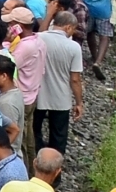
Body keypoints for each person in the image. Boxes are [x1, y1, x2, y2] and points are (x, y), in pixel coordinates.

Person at [34, 11, 85, 153]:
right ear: (68, 27)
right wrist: (79, 102)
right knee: (58, 136)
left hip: (38, 95)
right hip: (61, 98)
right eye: (74, 29)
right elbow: (74, 79)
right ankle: (54, 166)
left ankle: (37, 157)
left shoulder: (38, 38)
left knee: (34, 130)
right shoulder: (74, 47)